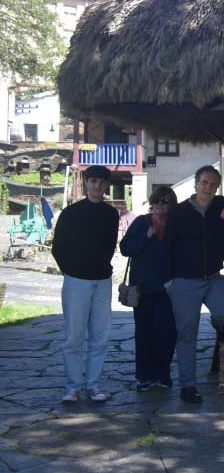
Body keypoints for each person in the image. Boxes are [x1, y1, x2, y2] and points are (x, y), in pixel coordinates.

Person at [163, 165, 224, 404]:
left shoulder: (220, 205)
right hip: (184, 282)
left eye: (213, 184)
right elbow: (166, 247)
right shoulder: (178, 212)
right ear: (196, 184)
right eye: (204, 182)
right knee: (187, 335)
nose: (207, 187)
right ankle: (188, 386)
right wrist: (168, 282)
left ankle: (219, 325)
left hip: (212, 278)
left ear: (217, 187)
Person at [51, 165, 120, 403]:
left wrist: (99, 268)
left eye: (101, 182)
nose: (97, 186)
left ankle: (93, 385)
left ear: (106, 185)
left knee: (100, 336)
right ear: (86, 183)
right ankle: (73, 387)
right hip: (76, 281)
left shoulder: (111, 214)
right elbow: (58, 247)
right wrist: (72, 271)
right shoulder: (71, 213)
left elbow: (110, 246)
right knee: (74, 337)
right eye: (92, 181)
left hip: (102, 281)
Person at [119, 186, 179, 391]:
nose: (161, 205)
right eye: (157, 201)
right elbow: (125, 248)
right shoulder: (141, 222)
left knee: (167, 333)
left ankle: (163, 375)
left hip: (168, 290)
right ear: (151, 203)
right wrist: (146, 236)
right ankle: (144, 376)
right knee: (145, 333)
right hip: (143, 288)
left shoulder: (175, 225)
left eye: (166, 201)